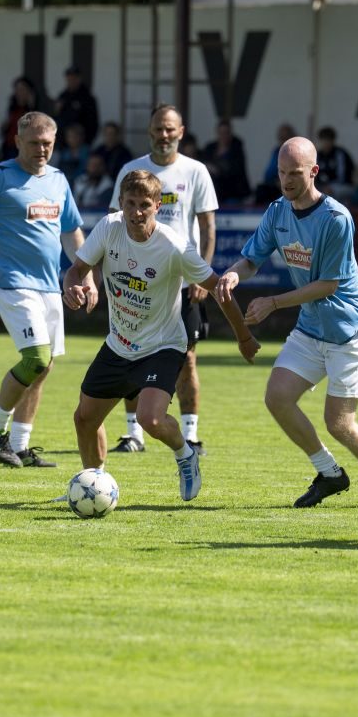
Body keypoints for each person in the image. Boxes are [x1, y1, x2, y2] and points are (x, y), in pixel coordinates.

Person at [215, 137, 358, 509]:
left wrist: (273, 302)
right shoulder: (278, 211)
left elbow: (328, 284)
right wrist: (232, 275)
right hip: (311, 329)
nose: (287, 181)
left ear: (314, 171)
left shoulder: (336, 218)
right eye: (281, 173)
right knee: (277, 396)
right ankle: (329, 474)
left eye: (295, 173)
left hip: (349, 331)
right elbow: (252, 259)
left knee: (339, 423)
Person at [64, 170, 259, 500]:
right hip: (119, 343)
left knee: (149, 419)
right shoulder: (109, 228)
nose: (136, 212)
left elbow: (219, 290)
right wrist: (74, 286)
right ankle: (93, 487)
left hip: (163, 346)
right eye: (130, 204)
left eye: (144, 205)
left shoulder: (174, 246)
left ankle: (186, 454)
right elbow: (77, 269)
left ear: (158, 205)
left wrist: (243, 337)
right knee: (85, 418)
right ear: (121, 204)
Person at [0, 111, 87, 468]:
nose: (41, 150)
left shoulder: (59, 180)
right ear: (17, 141)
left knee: (44, 368)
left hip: (49, 285)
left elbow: (72, 231)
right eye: (33, 143)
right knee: (36, 358)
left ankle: (20, 445)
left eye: (47, 144)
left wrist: (85, 275)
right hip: (12, 282)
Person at [107, 104, 220, 455]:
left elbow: (207, 227)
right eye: (158, 129)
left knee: (186, 359)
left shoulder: (196, 171)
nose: (164, 135)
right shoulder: (131, 170)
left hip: (182, 284)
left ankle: (191, 434)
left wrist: (202, 273)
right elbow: (113, 223)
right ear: (150, 131)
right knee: (129, 352)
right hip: (135, 282)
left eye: (170, 129)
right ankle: (133, 435)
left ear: (181, 131)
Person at [202, 119, 251, 206]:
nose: (224, 135)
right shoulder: (210, 148)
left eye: (226, 132)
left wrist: (217, 169)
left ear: (231, 133)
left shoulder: (237, 147)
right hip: (214, 193)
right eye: (221, 132)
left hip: (233, 193)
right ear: (217, 133)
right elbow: (202, 163)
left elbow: (235, 169)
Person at [54, 65, 99, 146]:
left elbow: (93, 123)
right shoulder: (62, 96)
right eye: (69, 79)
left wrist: (87, 141)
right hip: (64, 144)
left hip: (83, 144)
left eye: (74, 78)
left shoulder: (87, 98)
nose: (71, 81)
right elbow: (57, 117)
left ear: (79, 79)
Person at [1, 77, 40, 160]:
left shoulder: (34, 108)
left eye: (22, 89)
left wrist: (31, 106)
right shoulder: (11, 107)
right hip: (10, 146)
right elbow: (3, 126)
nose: (19, 93)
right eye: (17, 90)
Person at [257, 123, 296, 204]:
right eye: (281, 138)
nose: (283, 140)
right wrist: (277, 181)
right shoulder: (277, 151)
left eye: (285, 137)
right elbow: (268, 174)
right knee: (261, 190)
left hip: (292, 187)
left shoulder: (297, 152)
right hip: (277, 185)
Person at [314, 126, 355, 202]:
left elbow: (343, 177)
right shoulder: (317, 155)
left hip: (341, 186)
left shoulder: (340, 154)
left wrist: (330, 187)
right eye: (323, 140)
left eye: (328, 140)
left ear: (333, 140)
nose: (326, 143)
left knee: (330, 193)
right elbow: (314, 176)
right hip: (321, 187)